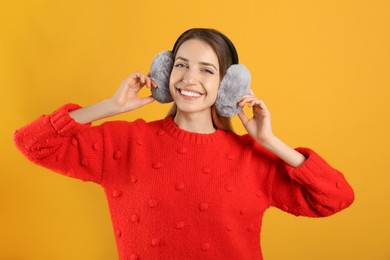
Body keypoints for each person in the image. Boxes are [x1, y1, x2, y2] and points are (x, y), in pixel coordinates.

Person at [14, 28, 354, 260]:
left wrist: (270, 141)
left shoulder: (253, 160)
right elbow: (31, 143)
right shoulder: (126, 142)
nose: (190, 79)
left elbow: (336, 198)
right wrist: (109, 107)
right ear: (165, 74)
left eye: (207, 70)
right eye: (180, 65)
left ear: (228, 85)